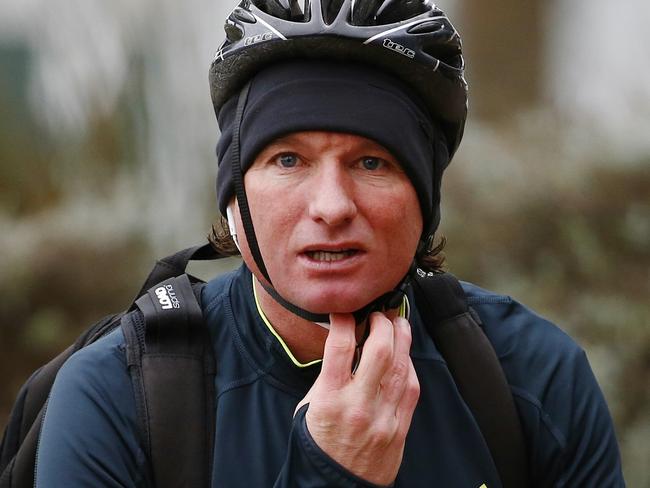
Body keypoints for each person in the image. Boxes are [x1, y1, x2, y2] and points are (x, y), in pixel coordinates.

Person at [35, 1, 625, 486]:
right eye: (288, 159)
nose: (332, 206)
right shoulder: (114, 397)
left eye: (372, 162)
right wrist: (334, 475)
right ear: (234, 197)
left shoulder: (534, 376)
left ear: (423, 198)